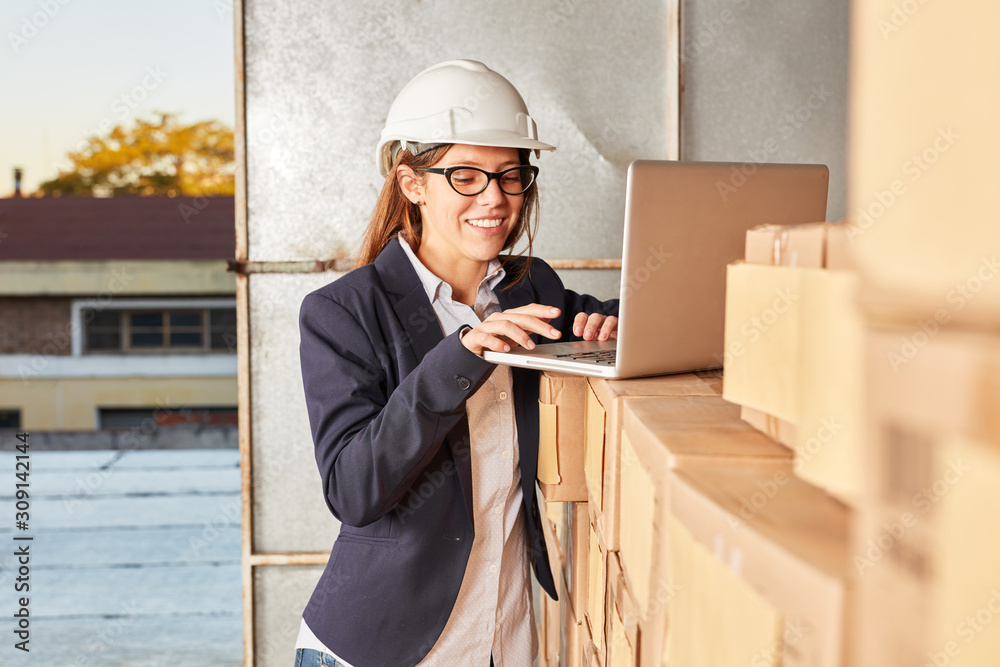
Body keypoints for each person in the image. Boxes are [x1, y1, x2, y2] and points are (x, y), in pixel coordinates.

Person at [294, 60, 619, 667]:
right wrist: (461, 356)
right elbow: (354, 488)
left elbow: (606, 318)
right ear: (411, 183)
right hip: (386, 647)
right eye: (465, 176)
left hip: (505, 635)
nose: (494, 199)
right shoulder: (343, 312)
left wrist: (616, 323)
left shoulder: (530, 286)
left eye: (510, 175)